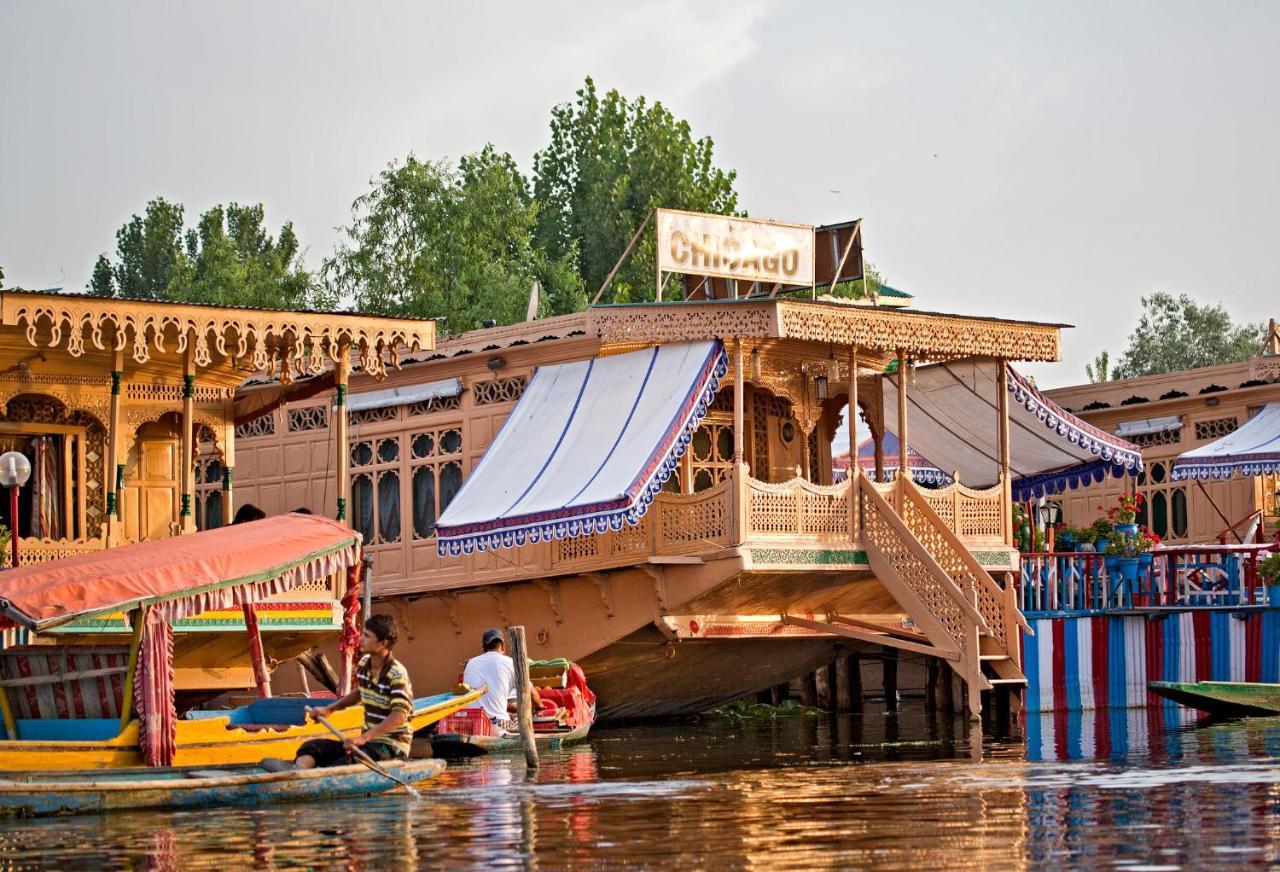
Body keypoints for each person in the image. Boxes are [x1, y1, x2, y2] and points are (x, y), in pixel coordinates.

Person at [264, 614, 414, 771]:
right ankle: (298, 771)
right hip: (367, 743)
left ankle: (314, 777)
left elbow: (399, 715)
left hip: (390, 747)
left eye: (367, 636)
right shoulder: (364, 664)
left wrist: (363, 738)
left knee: (347, 762)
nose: (361, 639)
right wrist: (330, 709)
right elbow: (360, 692)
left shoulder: (397, 674)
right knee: (312, 747)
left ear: (383, 643)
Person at [461, 628, 542, 734]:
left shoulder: (470, 663)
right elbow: (532, 694)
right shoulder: (511, 663)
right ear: (503, 645)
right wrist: (539, 705)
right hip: (497, 723)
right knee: (523, 722)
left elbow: (490, 700)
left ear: (483, 648)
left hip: (471, 724)